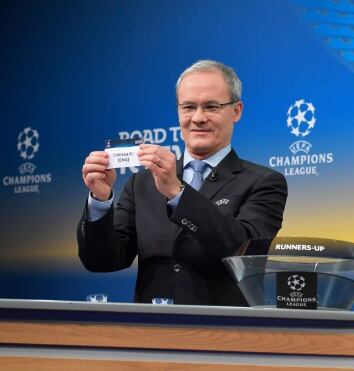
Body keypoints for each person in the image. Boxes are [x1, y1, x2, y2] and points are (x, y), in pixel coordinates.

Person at [78, 60, 287, 306]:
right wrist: (100, 201)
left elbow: (244, 251)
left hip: (222, 326)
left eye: (211, 106)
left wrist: (178, 193)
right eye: (188, 107)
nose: (198, 118)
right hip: (153, 326)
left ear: (236, 111)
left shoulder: (264, 182)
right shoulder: (141, 183)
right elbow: (101, 261)